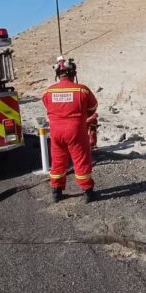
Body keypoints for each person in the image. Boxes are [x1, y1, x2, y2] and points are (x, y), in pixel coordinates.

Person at [42, 57, 99, 203]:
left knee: (58, 161)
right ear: (73, 73)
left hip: (56, 133)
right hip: (76, 132)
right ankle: (88, 192)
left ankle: (56, 192)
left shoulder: (48, 91)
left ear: (58, 74)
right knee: (81, 160)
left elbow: (47, 107)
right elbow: (93, 107)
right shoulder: (82, 90)